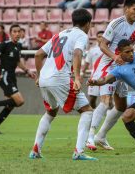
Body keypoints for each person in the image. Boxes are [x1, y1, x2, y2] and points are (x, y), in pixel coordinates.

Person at [29, 9, 97, 161]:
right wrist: (78, 78)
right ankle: (79, 152)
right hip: (59, 78)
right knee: (87, 111)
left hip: (45, 79)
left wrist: (39, 76)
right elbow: (78, 53)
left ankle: (35, 150)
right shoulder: (81, 35)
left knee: (51, 112)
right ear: (88, 23)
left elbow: (38, 54)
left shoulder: (59, 34)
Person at [86, 0, 135, 151]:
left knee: (121, 106)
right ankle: (90, 137)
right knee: (105, 101)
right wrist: (114, 57)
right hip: (108, 65)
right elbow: (102, 45)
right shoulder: (116, 23)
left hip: (123, 67)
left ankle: (101, 136)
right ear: (126, 9)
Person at [0, 24, 35, 134]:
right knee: (20, 101)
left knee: (10, 105)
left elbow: (18, 61)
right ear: (10, 33)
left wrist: (27, 71)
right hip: (4, 76)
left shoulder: (18, 45)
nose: (17, 34)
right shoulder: (4, 45)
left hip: (12, 77)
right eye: (14, 31)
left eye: (19, 31)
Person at [82, 30, 106, 109]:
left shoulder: (109, 49)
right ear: (96, 38)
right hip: (94, 77)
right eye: (99, 37)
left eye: (103, 37)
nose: (101, 38)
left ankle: (109, 117)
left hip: (106, 76)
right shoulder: (92, 50)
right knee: (92, 99)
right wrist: (82, 74)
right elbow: (87, 63)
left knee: (107, 99)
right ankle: (95, 115)